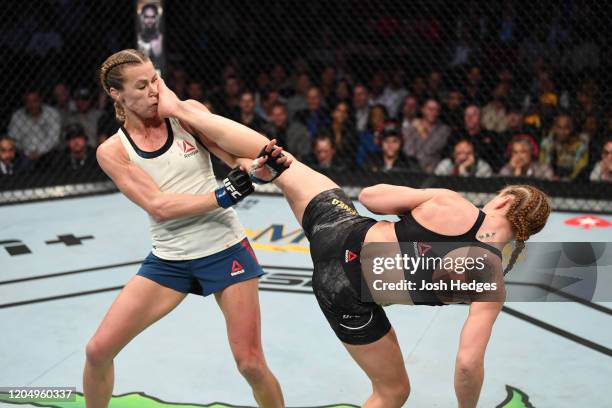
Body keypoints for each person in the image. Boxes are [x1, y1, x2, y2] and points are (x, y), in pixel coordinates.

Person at [158, 78, 551, 408]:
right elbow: (467, 363)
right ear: (524, 232)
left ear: (504, 200)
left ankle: (188, 113)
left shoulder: (452, 204)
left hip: (340, 230)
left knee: (281, 163)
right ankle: (214, 138)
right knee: (393, 392)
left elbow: (371, 196)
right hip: (345, 293)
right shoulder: (490, 280)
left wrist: (423, 199)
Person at [84, 49, 284, 408]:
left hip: (225, 249)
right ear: (117, 94)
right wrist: (225, 193)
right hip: (170, 259)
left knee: (251, 364)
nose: (154, 91)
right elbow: (159, 206)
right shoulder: (112, 150)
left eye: (156, 80)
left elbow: (232, 156)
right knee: (98, 350)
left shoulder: (186, 115)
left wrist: (254, 170)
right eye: (141, 86)